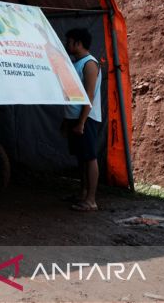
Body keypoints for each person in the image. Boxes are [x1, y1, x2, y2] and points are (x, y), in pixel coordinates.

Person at [62, 27, 102, 212]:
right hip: (75, 118)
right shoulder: (76, 63)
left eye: (69, 42)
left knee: (89, 157)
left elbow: (89, 95)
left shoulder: (89, 64)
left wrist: (81, 122)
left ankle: (91, 200)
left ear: (78, 43)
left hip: (86, 119)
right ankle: (83, 193)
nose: (66, 45)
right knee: (81, 158)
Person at [34, 23, 85, 101]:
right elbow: (55, 73)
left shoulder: (53, 46)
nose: (66, 45)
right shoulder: (44, 50)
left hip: (73, 89)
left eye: (42, 31)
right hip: (67, 91)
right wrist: (62, 92)